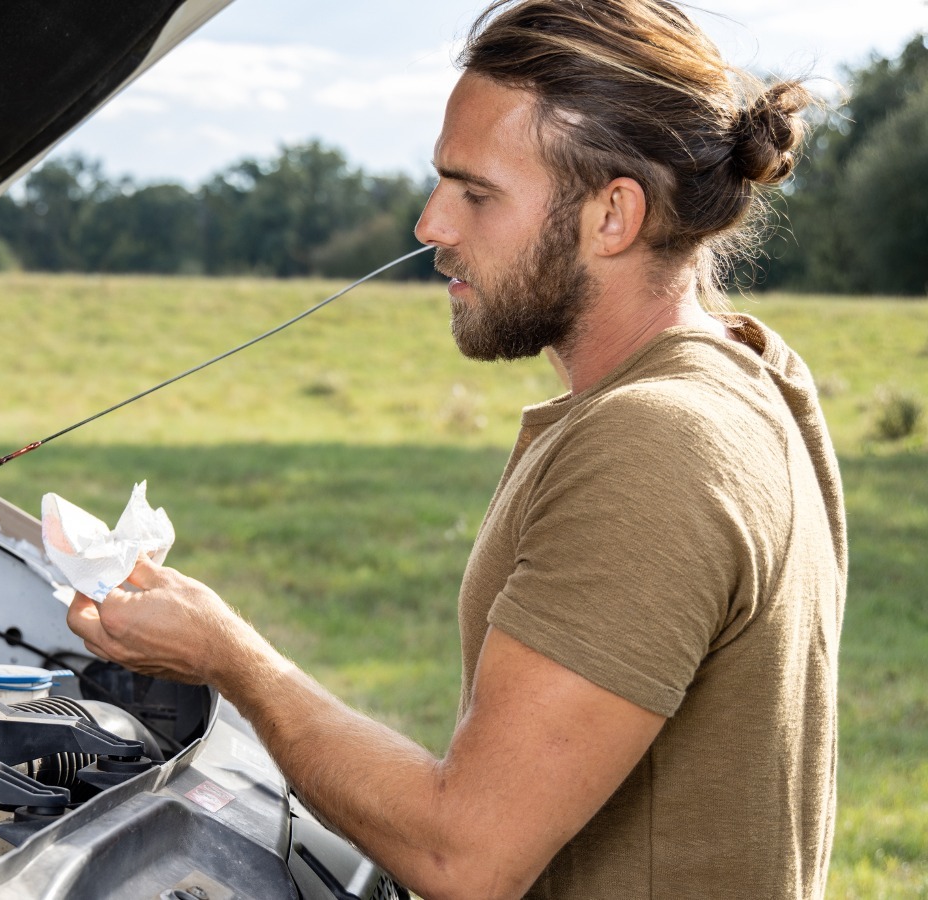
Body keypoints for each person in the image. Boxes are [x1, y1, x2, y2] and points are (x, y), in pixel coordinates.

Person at [65, 1, 847, 897]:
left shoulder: (656, 444)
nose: (430, 223)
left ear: (613, 216)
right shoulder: (750, 367)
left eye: (475, 192)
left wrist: (230, 657)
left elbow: (463, 852)